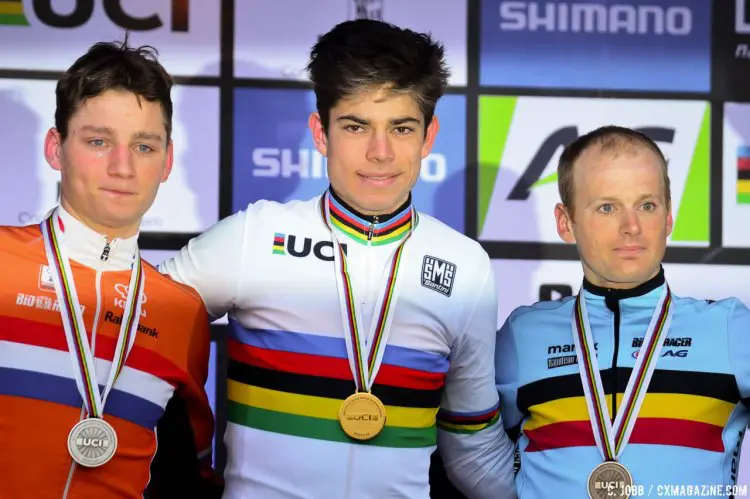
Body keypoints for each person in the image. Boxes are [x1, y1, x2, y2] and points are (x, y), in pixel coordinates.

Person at [159, 19, 516, 499]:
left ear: (428, 137)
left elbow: (472, 445)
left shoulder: (465, 265)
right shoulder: (255, 235)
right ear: (321, 133)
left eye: (401, 127)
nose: (380, 152)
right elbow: (136, 331)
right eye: (356, 126)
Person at [0, 39, 221, 498]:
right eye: (98, 142)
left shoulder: (180, 310)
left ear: (168, 161)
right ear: (55, 148)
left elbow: (187, 475)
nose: (122, 167)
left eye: (143, 145)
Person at [495, 126, 750, 498]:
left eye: (647, 205)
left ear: (668, 218)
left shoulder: (729, 328)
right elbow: (468, 451)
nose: (632, 227)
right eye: (607, 207)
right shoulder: (523, 335)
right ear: (566, 223)